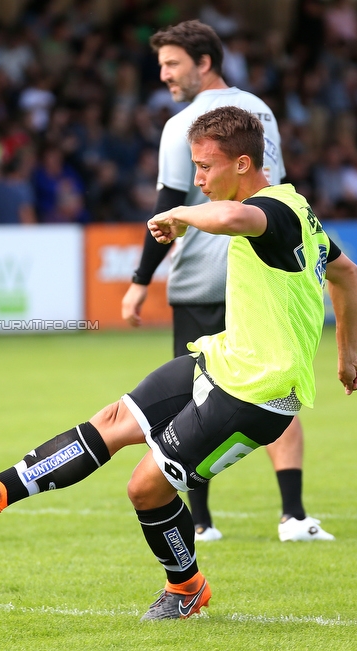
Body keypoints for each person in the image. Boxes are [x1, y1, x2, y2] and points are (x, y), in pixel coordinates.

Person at [0, 106, 357, 621]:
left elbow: (234, 218)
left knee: (144, 487)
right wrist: (347, 355)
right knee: (113, 421)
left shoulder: (273, 210)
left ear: (243, 164)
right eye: (193, 166)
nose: (196, 180)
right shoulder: (295, 205)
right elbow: (345, 273)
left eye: (205, 168)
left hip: (255, 394)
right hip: (222, 360)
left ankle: (186, 588)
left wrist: (178, 214)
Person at [120, 20, 332, 543]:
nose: (165, 75)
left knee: (193, 398)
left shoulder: (182, 126)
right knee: (274, 385)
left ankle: (201, 522)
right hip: (267, 270)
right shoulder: (260, 112)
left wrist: (140, 279)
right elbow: (276, 192)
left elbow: (167, 205)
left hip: (201, 278)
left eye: (172, 64)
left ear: (203, 62)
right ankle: (294, 515)